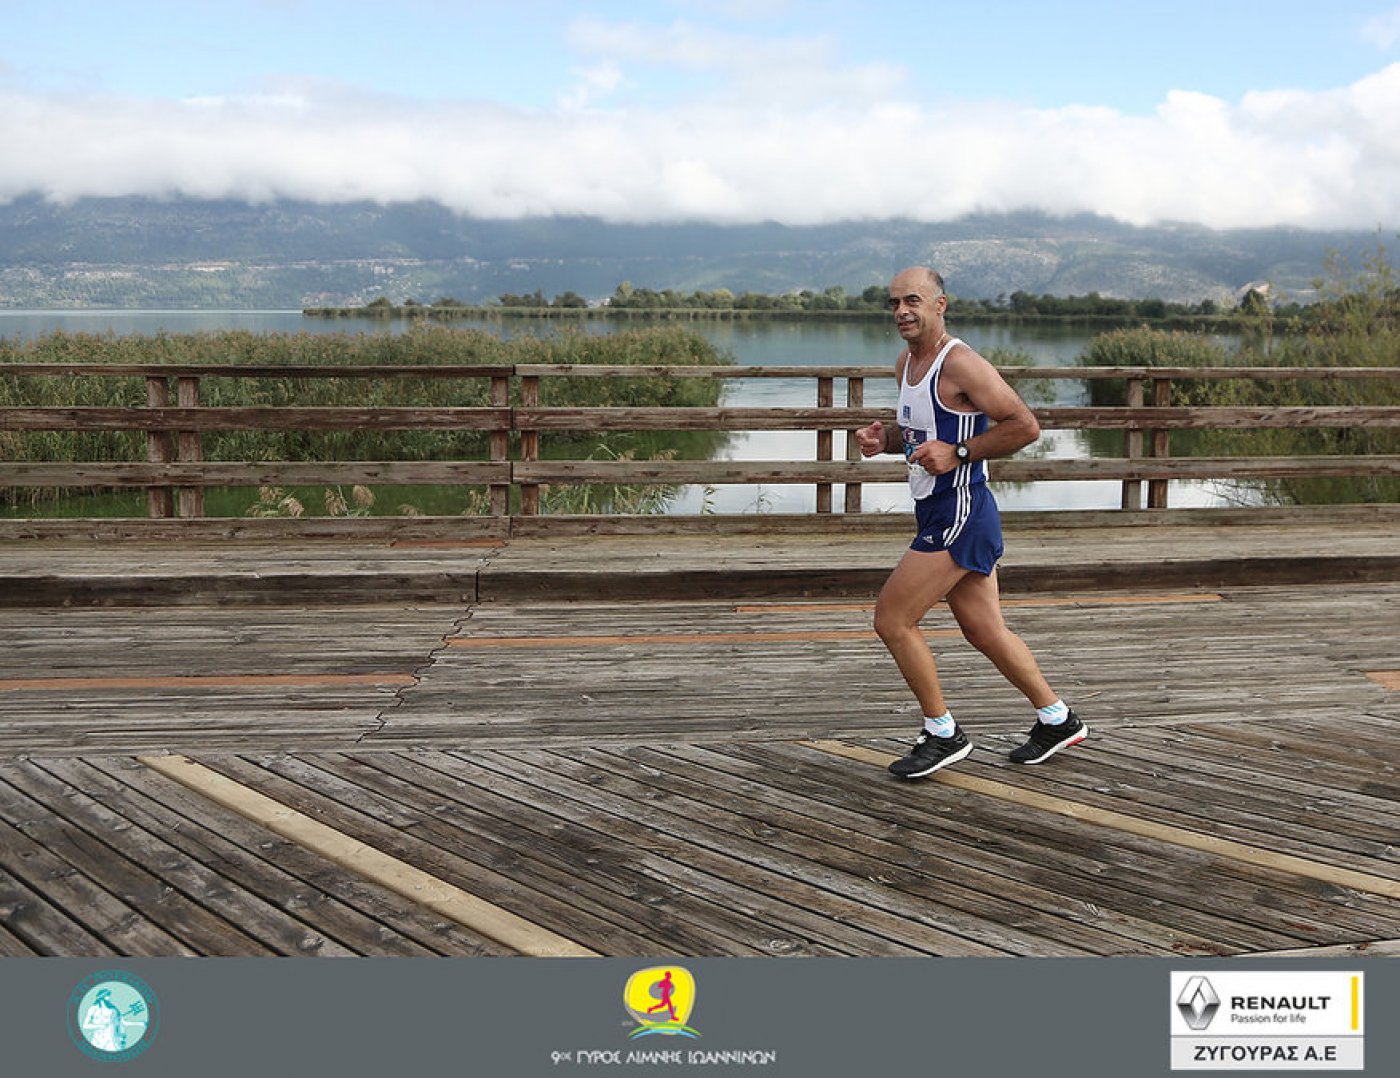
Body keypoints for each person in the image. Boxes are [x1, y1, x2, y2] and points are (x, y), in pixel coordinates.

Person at [855, 266, 1087, 778]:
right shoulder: (906, 363)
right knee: (985, 630)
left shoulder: (960, 363)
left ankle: (942, 733)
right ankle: (1057, 719)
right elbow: (922, 435)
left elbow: (1024, 426)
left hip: (961, 508)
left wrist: (960, 452)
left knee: (892, 620)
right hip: (940, 508)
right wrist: (885, 440)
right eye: (894, 303)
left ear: (940, 305)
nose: (901, 312)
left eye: (912, 300)